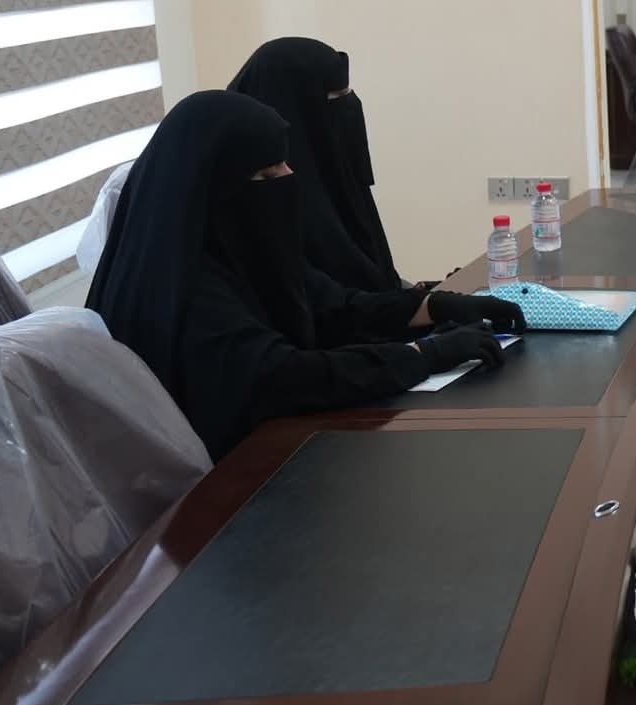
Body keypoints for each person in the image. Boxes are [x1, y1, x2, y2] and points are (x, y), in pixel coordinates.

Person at [87, 91, 524, 458]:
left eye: (285, 164)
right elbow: (282, 378)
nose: (289, 178)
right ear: (214, 189)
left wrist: (436, 305)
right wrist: (422, 355)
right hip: (230, 487)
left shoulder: (241, 248)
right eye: (267, 173)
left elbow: (335, 306)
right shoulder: (185, 288)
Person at [229, 37, 401, 291]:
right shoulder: (264, 207)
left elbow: (380, 282)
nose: (350, 104)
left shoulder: (336, 183)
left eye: (348, 93)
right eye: (336, 96)